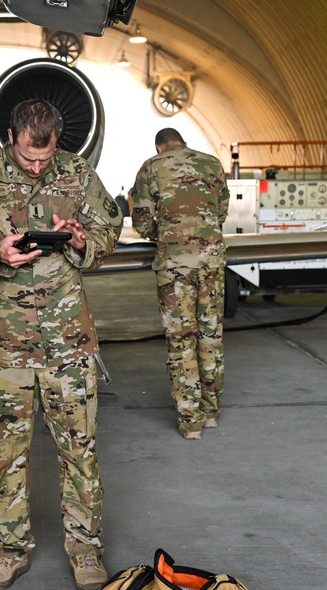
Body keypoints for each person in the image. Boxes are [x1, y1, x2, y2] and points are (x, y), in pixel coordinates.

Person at [0, 99, 123, 590]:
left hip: (69, 344)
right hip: (5, 345)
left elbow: (111, 232)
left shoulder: (79, 173)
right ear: (11, 136)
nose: (39, 166)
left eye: (45, 159)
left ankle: (86, 552)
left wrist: (85, 239)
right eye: (28, 158)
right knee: (4, 454)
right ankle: (8, 552)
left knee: (79, 451)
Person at [129, 128, 229, 440]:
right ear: (182, 142)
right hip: (211, 261)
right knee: (210, 335)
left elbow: (142, 220)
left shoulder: (151, 167)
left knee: (181, 340)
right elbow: (221, 211)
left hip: (174, 266)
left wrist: (168, 233)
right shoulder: (212, 163)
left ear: (159, 147)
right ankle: (211, 411)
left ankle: (191, 423)